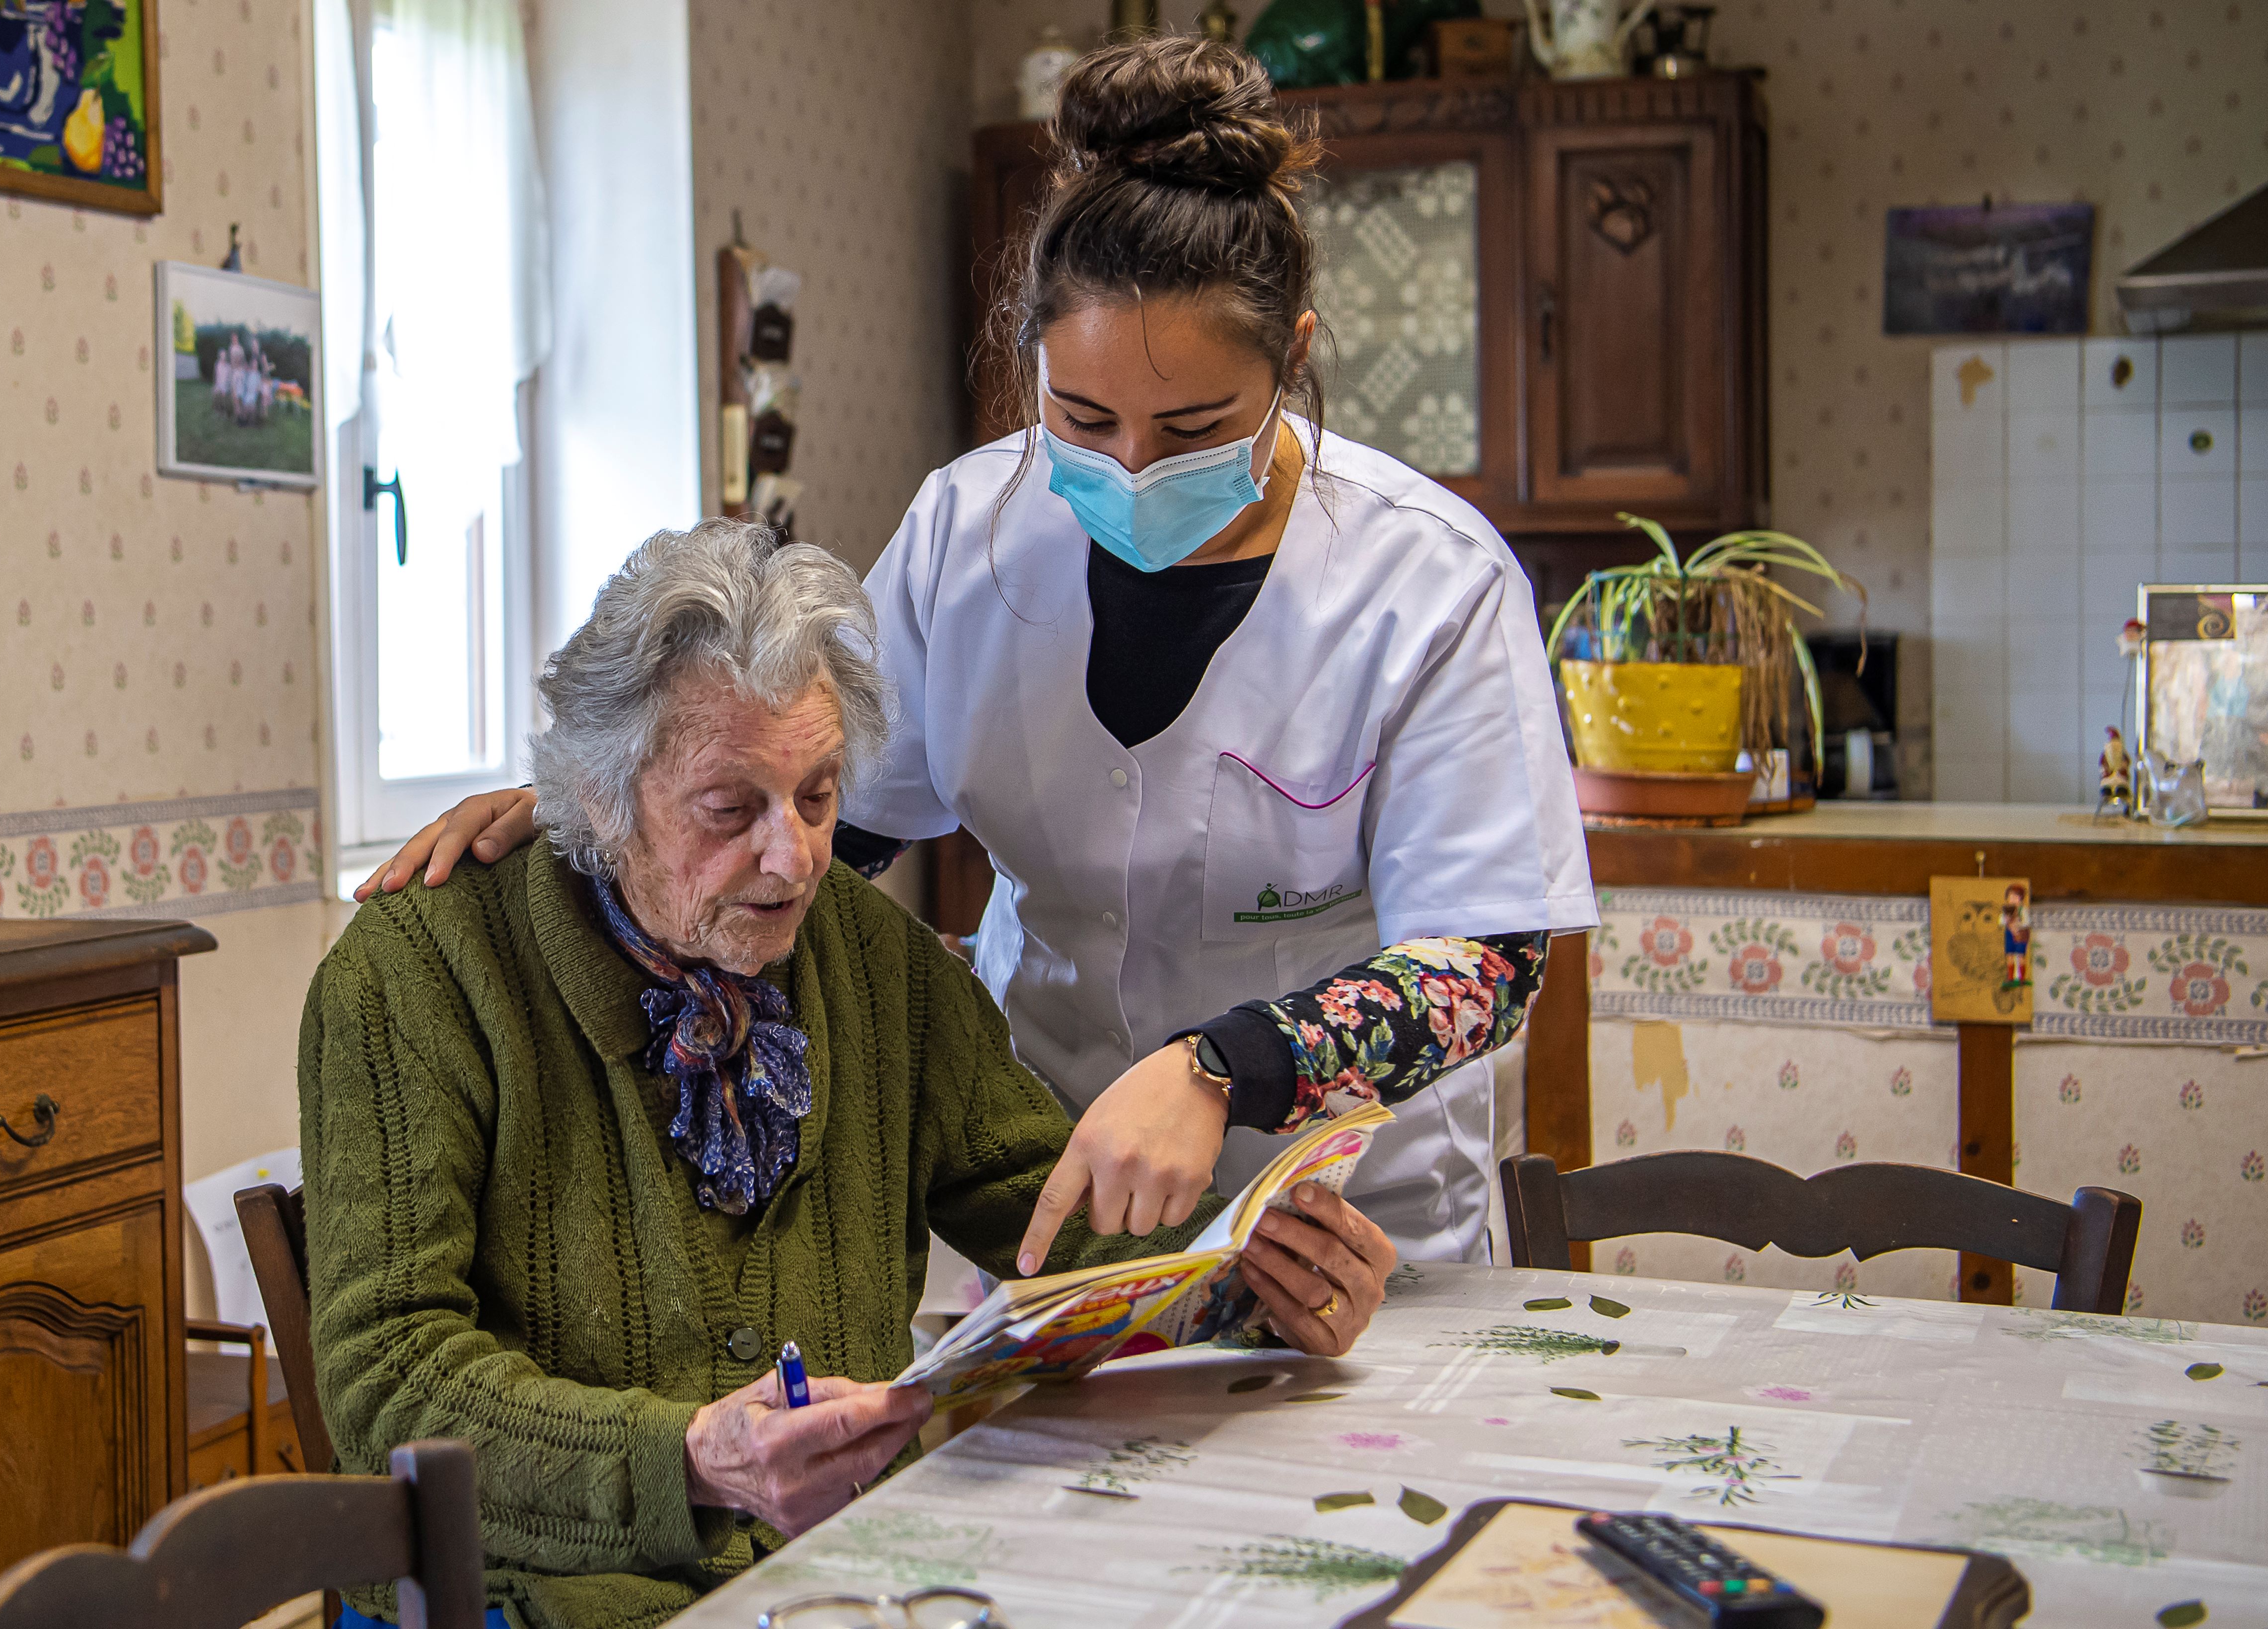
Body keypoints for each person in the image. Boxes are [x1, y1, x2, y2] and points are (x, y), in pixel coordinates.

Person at [359, 37, 1594, 1273]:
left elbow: (1490, 957)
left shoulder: (1429, 582)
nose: (1134, 467)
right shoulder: (969, 531)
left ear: (1293, 359)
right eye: (1085, 418)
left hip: (1333, 1212)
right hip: (1035, 1177)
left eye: (1195, 426)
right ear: (1033, 363)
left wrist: (1226, 1067)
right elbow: (835, 815)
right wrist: (620, 813)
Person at [304, 520, 1397, 1629]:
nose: (794, 858)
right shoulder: (417, 977)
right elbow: (390, 1381)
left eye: (819, 796)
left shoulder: (875, 964)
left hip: (836, 1577)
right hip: (530, 1597)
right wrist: (687, 1457)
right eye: (731, 810)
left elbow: (1049, 1205)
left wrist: (1250, 1271)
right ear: (597, 795)